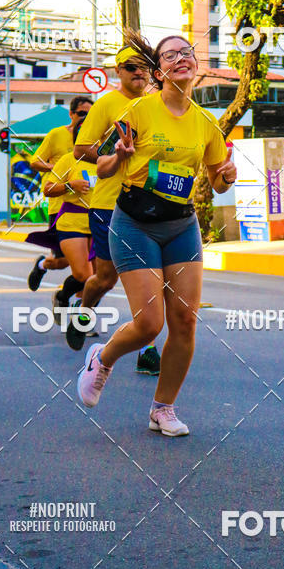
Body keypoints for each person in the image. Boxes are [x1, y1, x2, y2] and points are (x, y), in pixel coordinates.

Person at [76, 34, 237, 436]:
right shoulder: (138, 110)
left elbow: (217, 181)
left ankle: (162, 409)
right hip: (134, 223)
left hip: (181, 224)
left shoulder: (205, 122)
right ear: (159, 70)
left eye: (187, 53)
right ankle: (103, 358)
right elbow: (101, 169)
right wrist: (121, 156)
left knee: (184, 321)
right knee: (149, 324)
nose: (181, 59)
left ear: (195, 64)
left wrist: (225, 177)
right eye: (171, 55)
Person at [70, 46, 162, 375]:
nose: (139, 72)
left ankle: (148, 348)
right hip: (109, 203)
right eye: (131, 67)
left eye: (144, 68)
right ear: (118, 71)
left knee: (147, 276)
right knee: (106, 279)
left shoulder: (157, 104)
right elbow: (82, 148)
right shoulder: (108, 104)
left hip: (148, 203)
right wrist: (116, 154)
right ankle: (83, 313)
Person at [27, 96, 93, 290]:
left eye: (90, 114)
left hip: (89, 210)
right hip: (61, 207)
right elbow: (35, 161)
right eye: (82, 113)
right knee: (62, 261)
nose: (86, 117)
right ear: (71, 114)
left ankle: (77, 302)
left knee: (89, 270)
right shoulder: (57, 134)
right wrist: (57, 168)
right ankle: (42, 265)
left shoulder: (96, 139)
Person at [44, 115, 97, 320]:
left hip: (99, 223)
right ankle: (81, 317)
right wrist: (70, 186)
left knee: (102, 280)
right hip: (72, 222)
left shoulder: (108, 161)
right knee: (85, 276)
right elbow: (48, 189)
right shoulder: (69, 160)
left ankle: (64, 297)